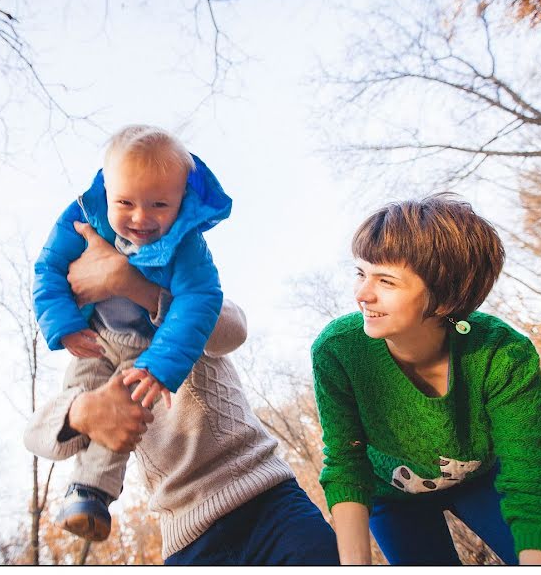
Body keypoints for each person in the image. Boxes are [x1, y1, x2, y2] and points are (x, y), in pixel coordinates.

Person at [24, 226, 340, 565]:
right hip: (187, 534)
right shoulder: (95, 351)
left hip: (268, 499)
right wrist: (80, 412)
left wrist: (137, 287)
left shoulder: (186, 302)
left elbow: (234, 329)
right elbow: (36, 435)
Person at [312, 193, 541, 565]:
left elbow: (539, 487)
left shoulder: (501, 353)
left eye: (387, 281)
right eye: (361, 273)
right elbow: (346, 462)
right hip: (393, 498)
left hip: (481, 480)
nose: (363, 294)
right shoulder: (337, 350)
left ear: (445, 299)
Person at [32, 125, 231, 541]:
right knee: (91, 399)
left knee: (127, 403)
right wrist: (64, 326)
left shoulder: (186, 244)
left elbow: (202, 301)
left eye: (159, 204)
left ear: (182, 201)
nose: (141, 218)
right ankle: (83, 491)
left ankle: (92, 493)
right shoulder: (82, 218)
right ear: (106, 191)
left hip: (147, 346)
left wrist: (160, 365)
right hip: (94, 338)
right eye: (125, 203)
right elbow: (48, 268)